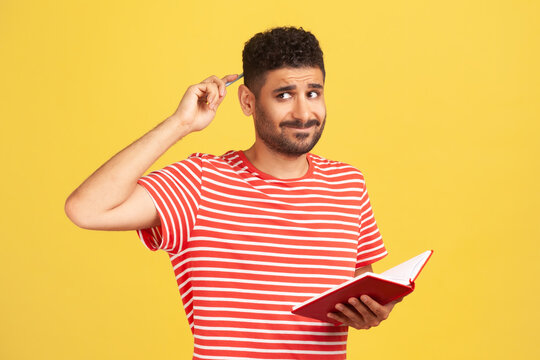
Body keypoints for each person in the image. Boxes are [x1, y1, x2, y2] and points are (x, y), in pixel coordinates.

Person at [65, 26, 401, 360]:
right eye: (284, 95)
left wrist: (372, 306)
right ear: (248, 101)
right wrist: (181, 123)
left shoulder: (348, 183)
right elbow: (86, 209)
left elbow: (359, 275)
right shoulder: (201, 182)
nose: (303, 113)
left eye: (313, 93)